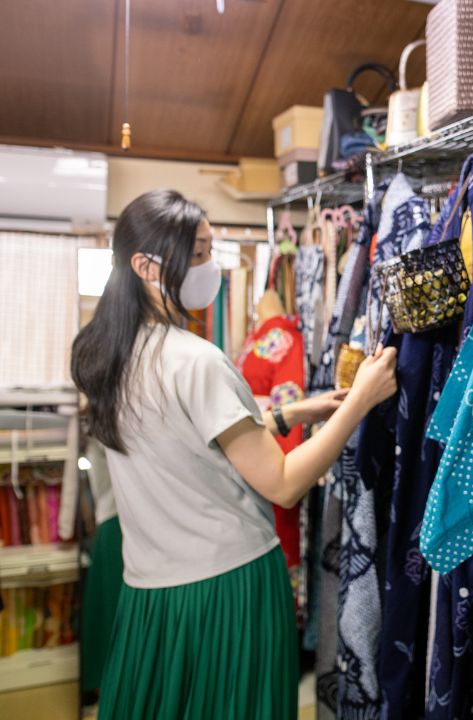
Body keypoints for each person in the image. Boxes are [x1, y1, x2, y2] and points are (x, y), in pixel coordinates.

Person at [70, 189, 397, 719]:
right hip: (228, 587)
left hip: (151, 589)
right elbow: (284, 483)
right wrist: (358, 401)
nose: (209, 267)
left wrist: (294, 414)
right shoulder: (196, 360)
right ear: (143, 264)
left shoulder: (105, 355)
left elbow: (181, 443)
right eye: (197, 253)